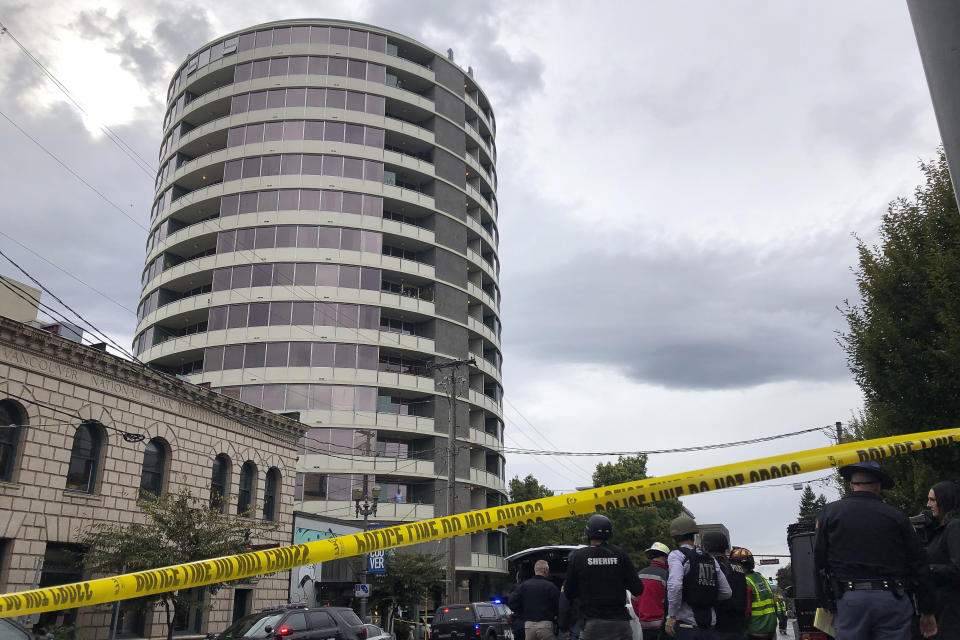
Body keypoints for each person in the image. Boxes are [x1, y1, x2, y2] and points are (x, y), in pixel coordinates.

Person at [813, 460, 937, 640]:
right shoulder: (897, 516)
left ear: (851, 484)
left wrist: (826, 604)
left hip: (849, 600)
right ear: (879, 486)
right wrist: (927, 610)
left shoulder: (829, 514)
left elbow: (818, 562)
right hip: (891, 599)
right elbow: (919, 564)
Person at [562, 513, 645, 640]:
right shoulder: (621, 554)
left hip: (592, 625)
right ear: (609, 533)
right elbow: (638, 589)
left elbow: (568, 592)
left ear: (588, 533)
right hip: (619, 625)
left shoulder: (579, 557)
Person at [665, 515, 732, 639]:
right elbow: (727, 592)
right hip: (710, 627)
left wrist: (672, 616)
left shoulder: (677, 555)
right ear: (693, 535)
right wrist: (707, 595)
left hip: (687, 628)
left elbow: (675, 585)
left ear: (675, 536)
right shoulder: (709, 558)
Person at [924, 480, 960, 637]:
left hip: (951, 613)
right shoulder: (941, 529)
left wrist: (928, 570)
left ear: (944, 500)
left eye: (932, 500)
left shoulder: (954, 527)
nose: (928, 504)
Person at [704, 532, 748, 640]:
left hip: (721, 626)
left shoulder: (712, 565)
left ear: (707, 546)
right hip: (740, 625)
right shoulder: (738, 567)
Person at [729, 548, 776, 640]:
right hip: (770, 630)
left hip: (755, 631)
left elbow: (745, 612)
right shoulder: (761, 578)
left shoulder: (745, 582)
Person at [509, 559, 560, 640]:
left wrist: (522, 611)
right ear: (545, 570)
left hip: (529, 626)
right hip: (545, 625)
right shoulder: (551, 586)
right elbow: (558, 606)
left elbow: (512, 602)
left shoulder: (524, 586)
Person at [633, 542, 671, 640]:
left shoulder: (640, 574)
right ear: (665, 557)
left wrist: (643, 615)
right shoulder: (666, 575)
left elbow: (634, 601)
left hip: (644, 626)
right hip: (663, 626)